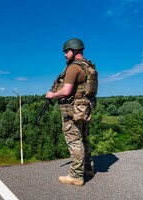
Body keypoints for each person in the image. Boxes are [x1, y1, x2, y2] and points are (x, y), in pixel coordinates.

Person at [45, 38, 98, 186]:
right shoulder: (89, 66)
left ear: (74, 50)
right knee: (84, 140)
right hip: (84, 109)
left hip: (72, 111)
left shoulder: (73, 68)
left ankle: (75, 176)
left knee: (74, 141)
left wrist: (51, 95)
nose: (64, 55)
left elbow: (66, 91)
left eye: (66, 51)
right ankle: (87, 168)